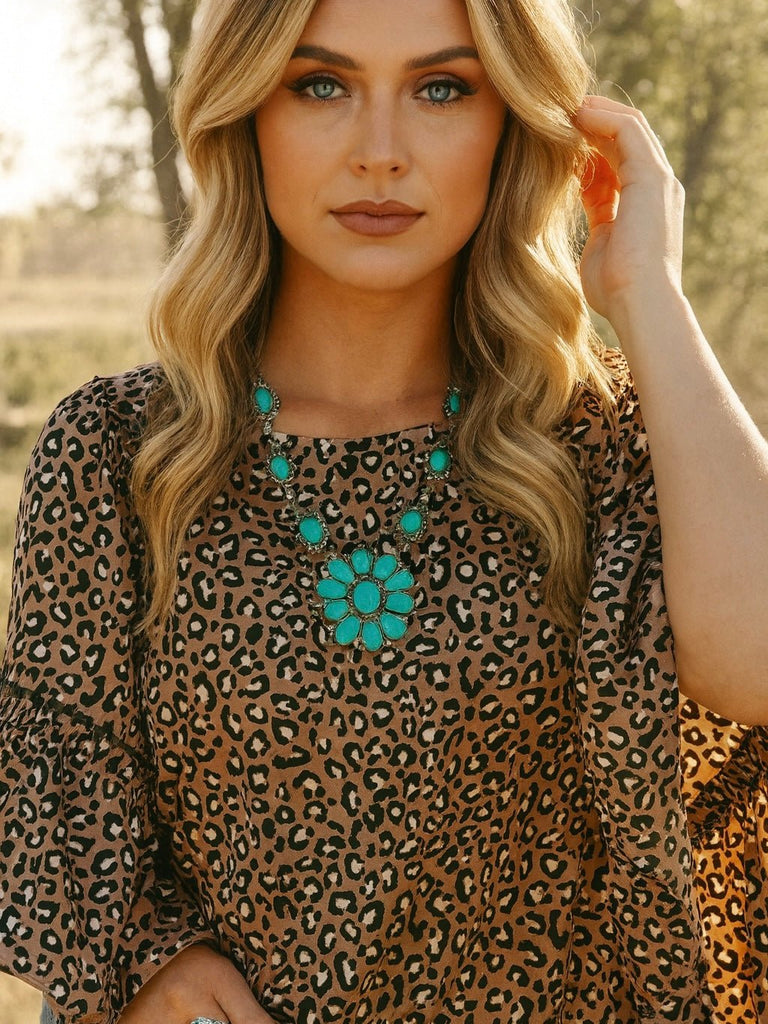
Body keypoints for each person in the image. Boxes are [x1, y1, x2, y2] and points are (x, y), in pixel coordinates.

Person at [2, 0, 767, 1022]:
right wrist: (154, 963)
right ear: (246, 117)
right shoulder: (117, 453)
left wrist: (648, 291)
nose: (380, 153)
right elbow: (60, 794)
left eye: (442, 90)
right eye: (321, 86)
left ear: (513, 126)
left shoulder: (602, 440)